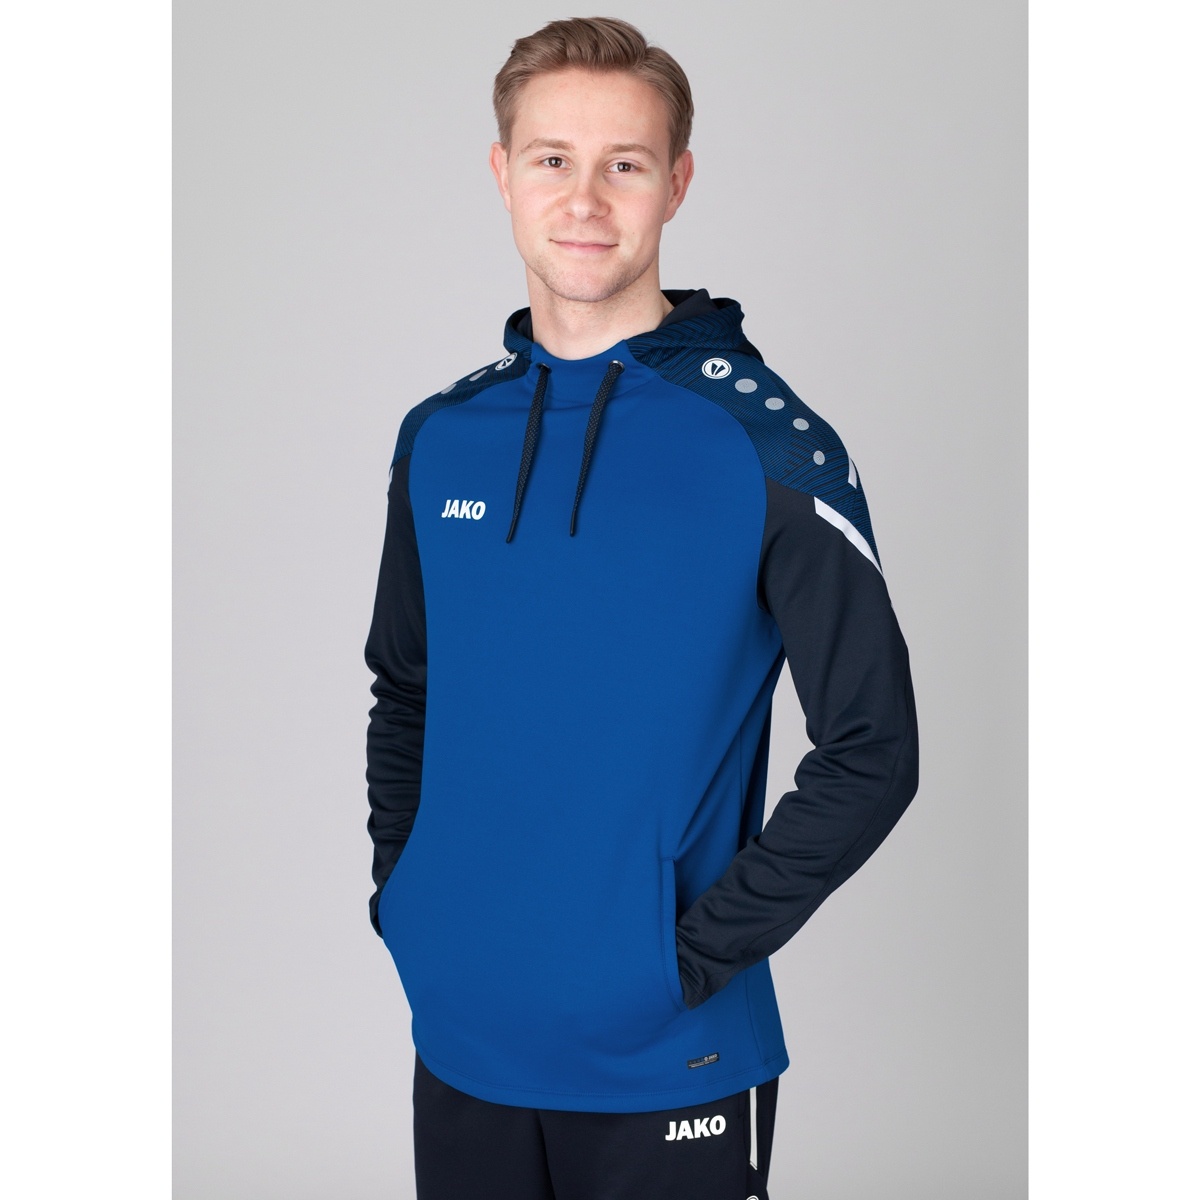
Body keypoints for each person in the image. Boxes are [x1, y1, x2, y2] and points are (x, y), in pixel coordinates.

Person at [364, 16, 918, 1200]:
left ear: (677, 182)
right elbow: (407, 689)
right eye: (552, 159)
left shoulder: (769, 448)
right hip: (461, 1042)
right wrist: (410, 901)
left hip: (672, 1060)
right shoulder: (440, 438)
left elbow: (874, 750)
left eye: (624, 163)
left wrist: (683, 962)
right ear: (502, 173)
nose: (584, 198)